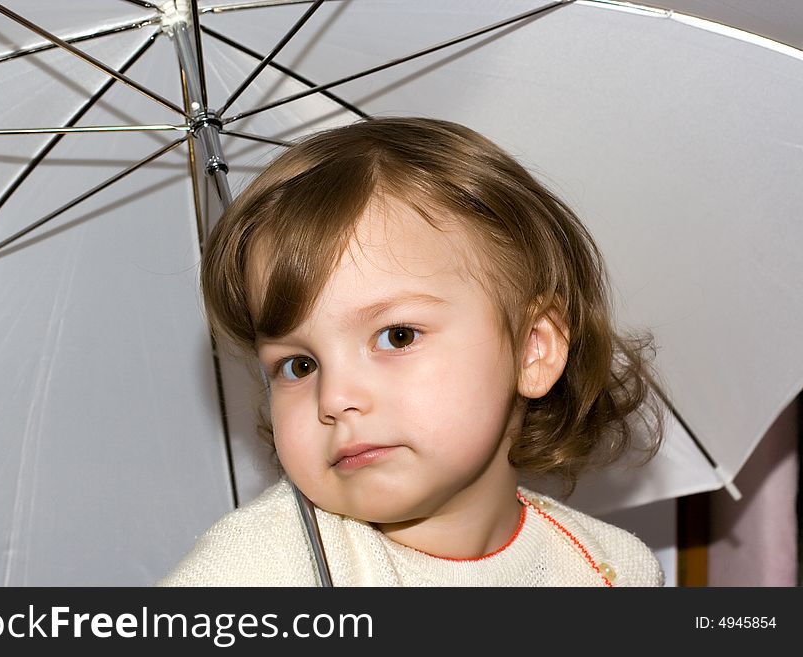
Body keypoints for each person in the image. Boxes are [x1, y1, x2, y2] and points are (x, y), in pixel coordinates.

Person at [159, 116, 665, 587]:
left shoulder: (611, 569)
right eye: (299, 365)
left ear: (533, 348)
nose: (334, 398)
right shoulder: (254, 573)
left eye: (396, 336)